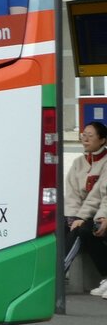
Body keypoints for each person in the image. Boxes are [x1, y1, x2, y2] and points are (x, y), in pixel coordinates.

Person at [68, 122, 107, 294]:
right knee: (60, 227)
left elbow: (103, 196)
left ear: (103, 140)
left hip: (99, 213)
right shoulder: (78, 163)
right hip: (90, 213)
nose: (85, 138)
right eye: (84, 134)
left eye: (90, 135)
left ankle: (58, 274)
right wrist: (73, 216)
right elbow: (73, 194)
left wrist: (102, 217)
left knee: (85, 230)